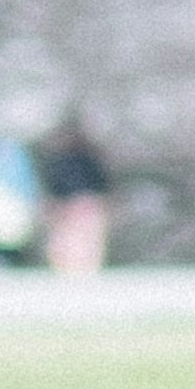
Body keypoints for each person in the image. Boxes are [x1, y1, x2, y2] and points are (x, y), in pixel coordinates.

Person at [32, 115, 114, 281]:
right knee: (68, 245)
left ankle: (83, 273)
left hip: (84, 206)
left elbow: (99, 185)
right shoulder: (62, 162)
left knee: (84, 245)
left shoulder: (85, 159)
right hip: (73, 208)